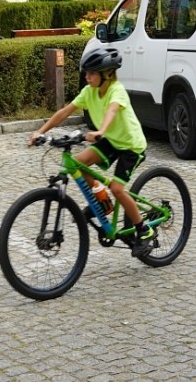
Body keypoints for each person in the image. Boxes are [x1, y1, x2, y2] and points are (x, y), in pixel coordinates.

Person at [29, 47, 156, 256]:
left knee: (117, 189)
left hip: (131, 146)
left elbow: (112, 110)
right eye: (86, 73)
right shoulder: (89, 92)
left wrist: (100, 131)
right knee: (77, 163)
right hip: (111, 141)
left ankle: (144, 230)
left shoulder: (116, 90)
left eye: (92, 73)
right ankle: (103, 202)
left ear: (107, 74)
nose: (87, 77)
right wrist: (40, 131)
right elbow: (65, 112)